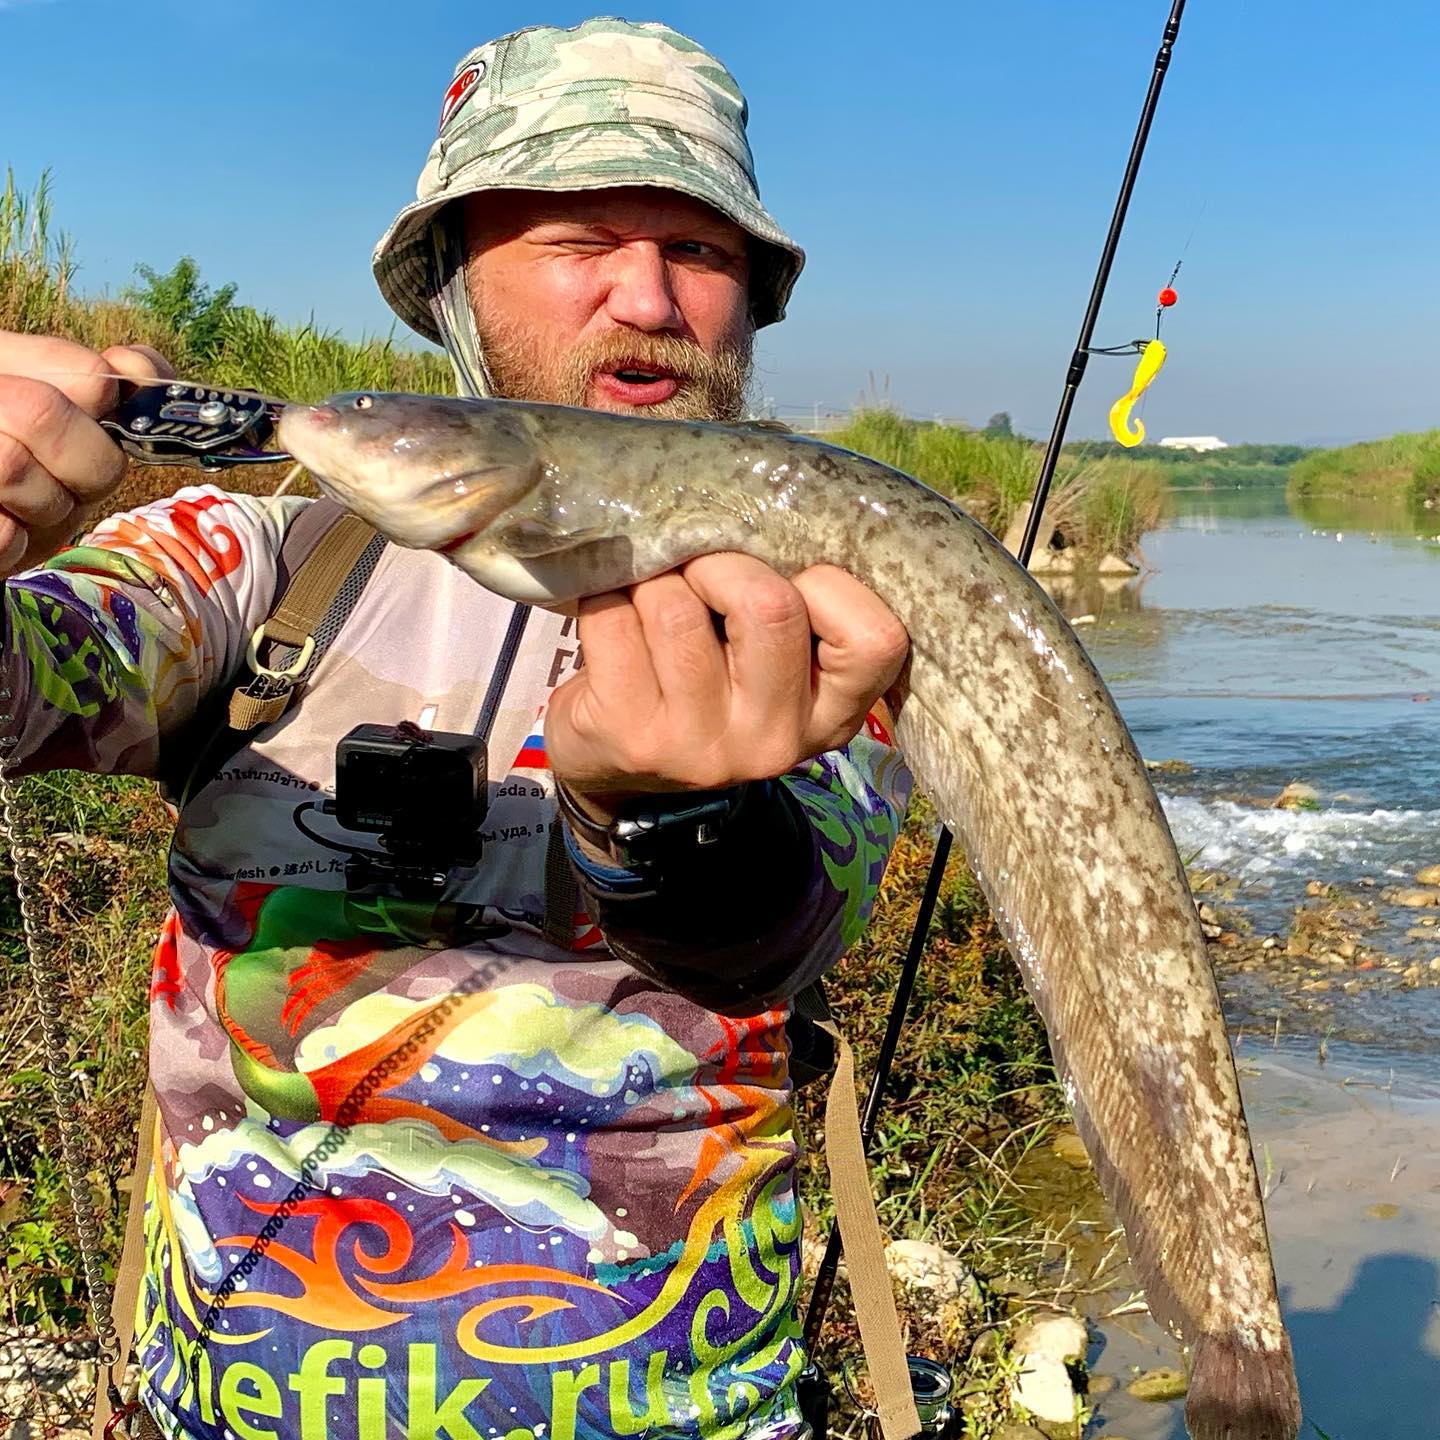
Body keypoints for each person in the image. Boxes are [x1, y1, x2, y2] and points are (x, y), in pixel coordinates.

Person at [0, 19, 912, 1440]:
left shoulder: (835, 602)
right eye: (576, 237)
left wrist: (661, 820)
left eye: (703, 251)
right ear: (454, 290)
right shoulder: (262, 557)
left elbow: (771, 937)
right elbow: (29, 680)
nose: (650, 296)